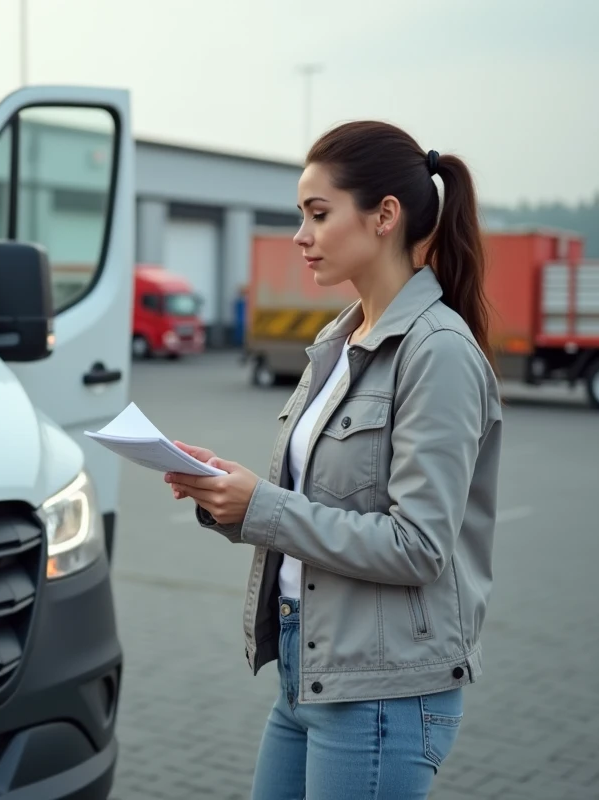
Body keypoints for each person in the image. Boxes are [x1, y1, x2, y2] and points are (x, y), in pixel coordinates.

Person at [164, 120, 503, 799]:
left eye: (319, 214)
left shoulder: (436, 352)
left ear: (384, 216)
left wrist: (264, 506)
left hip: (383, 693)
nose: (301, 235)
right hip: (308, 670)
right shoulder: (340, 340)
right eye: (301, 216)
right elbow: (319, 508)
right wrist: (228, 495)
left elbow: (417, 546)